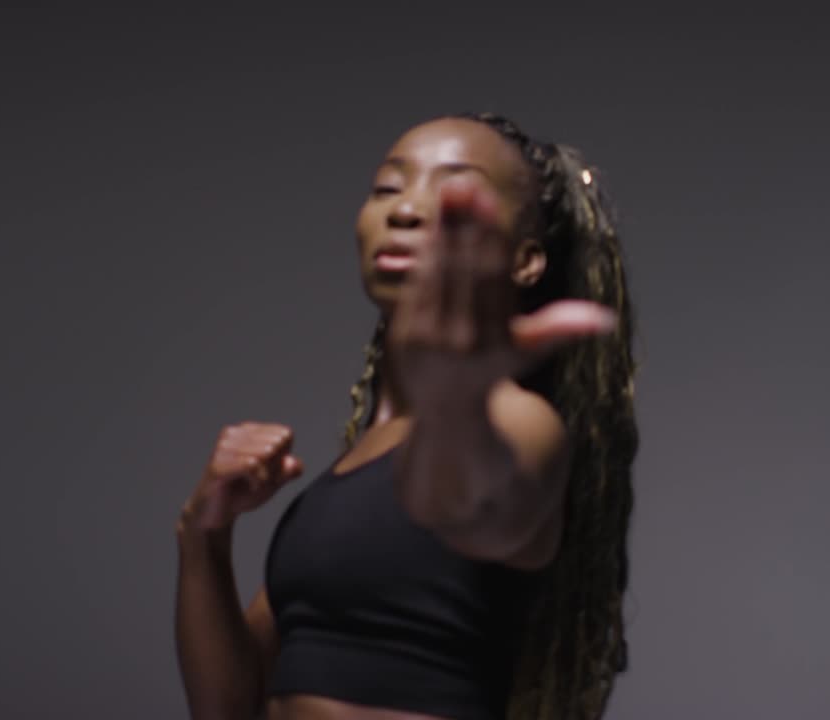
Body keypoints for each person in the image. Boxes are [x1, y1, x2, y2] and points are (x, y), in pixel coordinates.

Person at [175, 112, 638, 720]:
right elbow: (228, 710)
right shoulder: (343, 481)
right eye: (387, 189)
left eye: (453, 194)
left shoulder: (519, 424)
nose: (405, 211)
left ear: (525, 262)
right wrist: (203, 537)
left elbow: (489, 509)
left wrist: (458, 405)